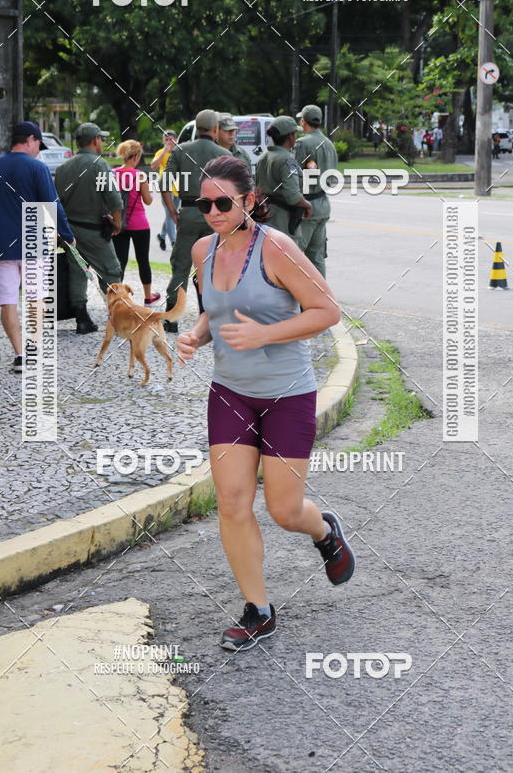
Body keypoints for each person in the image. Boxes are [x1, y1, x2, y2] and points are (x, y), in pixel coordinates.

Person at [176, 155, 354, 651]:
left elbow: (327, 309)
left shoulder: (277, 248)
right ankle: (258, 610)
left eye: (222, 203)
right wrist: (194, 336)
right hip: (230, 393)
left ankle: (324, 531)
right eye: (203, 203)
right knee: (232, 503)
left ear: (250, 201)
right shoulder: (201, 252)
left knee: (284, 509)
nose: (211, 211)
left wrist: (266, 334)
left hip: (286, 395)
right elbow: (217, 313)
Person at [0, 121, 74, 372]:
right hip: (34, 241)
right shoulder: (37, 167)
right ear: (30, 139)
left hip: (2, 242)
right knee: (35, 298)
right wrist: (67, 235)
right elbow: (53, 205)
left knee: (8, 300)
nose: (38, 150)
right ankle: (33, 348)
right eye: (38, 144)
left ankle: (20, 355)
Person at [160, 109, 230, 333]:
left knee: (181, 266)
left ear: (197, 128)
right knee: (212, 267)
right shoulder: (223, 154)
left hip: (189, 211)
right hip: (216, 216)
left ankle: (171, 318)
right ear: (216, 129)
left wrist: (173, 212)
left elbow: (164, 183)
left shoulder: (181, 151)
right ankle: (208, 315)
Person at [54, 122, 123, 334]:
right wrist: (118, 223)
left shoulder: (63, 167)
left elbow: (57, 201)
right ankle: (120, 318)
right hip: (94, 230)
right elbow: (113, 197)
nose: (101, 142)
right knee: (111, 271)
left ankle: (82, 318)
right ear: (95, 141)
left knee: (77, 271)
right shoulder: (99, 164)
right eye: (101, 139)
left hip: (70, 230)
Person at [112, 139, 160, 306]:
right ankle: (148, 297)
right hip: (139, 224)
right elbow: (147, 201)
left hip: (120, 224)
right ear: (136, 156)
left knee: (120, 261)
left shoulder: (113, 174)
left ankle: (118, 298)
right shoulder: (140, 176)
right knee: (143, 260)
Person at [254, 116, 311, 244]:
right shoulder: (286, 159)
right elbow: (293, 197)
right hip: (283, 222)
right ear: (290, 136)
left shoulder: (263, 157)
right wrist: (308, 205)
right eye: (294, 134)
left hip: (265, 217)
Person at [294, 104, 335, 278]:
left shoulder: (302, 143)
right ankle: (322, 296)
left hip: (307, 205)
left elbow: (293, 172)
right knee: (316, 257)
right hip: (323, 203)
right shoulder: (329, 143)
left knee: (294, 255)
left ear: (303, 121)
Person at [151, 129, 177, 251]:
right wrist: (165, 152)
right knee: (170, 214)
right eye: (166, 140)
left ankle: (162, 235)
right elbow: (153, 166)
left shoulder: (179, 152)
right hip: (166, 188)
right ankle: (174, 242)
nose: (168, 142)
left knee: (172, 213)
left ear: (176, 140)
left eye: (171, 140)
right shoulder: (161, 152)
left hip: (180, 188)